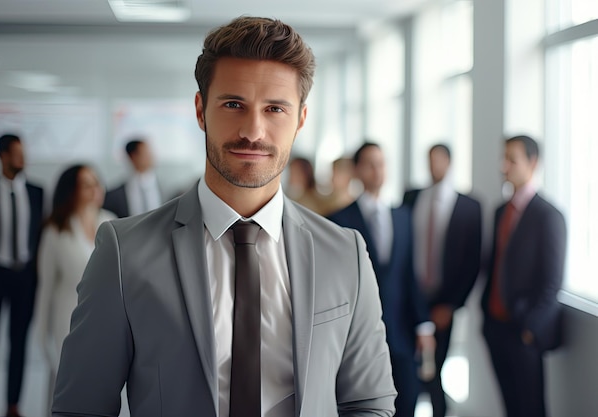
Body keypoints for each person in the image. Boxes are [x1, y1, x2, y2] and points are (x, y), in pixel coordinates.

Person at [52, 16, 396, 417]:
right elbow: (81, 407)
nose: (253, 130)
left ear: (301, 119)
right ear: (201, 111)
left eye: (275, 109)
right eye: (234, 104)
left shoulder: (345, 252)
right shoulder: (124, 252)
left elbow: (368, 403)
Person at [329, 142, 434, 417]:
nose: (378, 170)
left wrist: (423, 325)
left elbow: (410, 275)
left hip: (401, 332)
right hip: (358, 335)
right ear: (357, 170)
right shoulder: (338, 221)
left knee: (408, 401)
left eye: (382, 163)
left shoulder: (403, 217)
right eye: (370, 164)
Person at [481, 135, 566, 417]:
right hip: (495, 327)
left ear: (533, 163)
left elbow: (552, 283)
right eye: (503, 158)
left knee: (531, 409)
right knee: (510, 407)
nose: (504, 166)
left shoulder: (549, 216)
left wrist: (529, 330)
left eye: (512, 159)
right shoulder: (500, 212)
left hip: (523, 332)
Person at [402, 143, 482, 417]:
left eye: (438, 160)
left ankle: (440, 411)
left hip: (443, 301)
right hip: (411, 299)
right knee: (408, 367)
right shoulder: (412, 197)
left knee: (435, 366)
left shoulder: (469, 207)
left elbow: (472, 263)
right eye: (429, 160)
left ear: (449, 163)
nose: (433, 166)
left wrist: (451, 305)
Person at [0, 134, 44, 417]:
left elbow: (39, 236)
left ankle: (13, 405)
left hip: (24, 278)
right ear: (2, 156)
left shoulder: (37, 192)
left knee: (19, 343)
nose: (22, 159)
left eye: (23, 153)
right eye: (16, 154)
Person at [35, 164, 115, 415]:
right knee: (68, 397)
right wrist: (42, 340)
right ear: (72, 191)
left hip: (106, 324)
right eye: (86, 184)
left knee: (100, 395)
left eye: (97, 182)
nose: (95, 189)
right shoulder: (55, 231)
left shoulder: (112, 223)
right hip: (66, 324)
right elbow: (45, 289)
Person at [103, 139, 162, 218]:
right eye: (146, 153)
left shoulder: (164, 188)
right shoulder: (115, 194)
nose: (151, 156)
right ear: (133, 156)